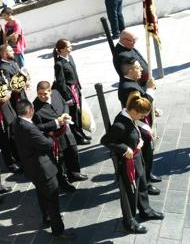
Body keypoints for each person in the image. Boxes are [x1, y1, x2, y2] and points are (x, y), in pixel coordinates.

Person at [101, 94, 164, 234]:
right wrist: (125, 149)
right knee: (130, 193)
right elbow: (105, 140)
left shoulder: (129, 116)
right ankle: (129, 222)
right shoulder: (120, 125)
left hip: (137, 158)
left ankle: (145, 210)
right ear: (134, 111)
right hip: (127, 164)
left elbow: (133, 132)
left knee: (142, 186)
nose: (142, 118)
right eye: (142, 115)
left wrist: (138, 142)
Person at [14, 100, 76, 239]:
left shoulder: (18, 123)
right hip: (43, 170)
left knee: (42, 195)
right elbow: (47, 143)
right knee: (52, 200)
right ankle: (58, 230)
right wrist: (51, 134)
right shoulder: (28, 128)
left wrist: (55, 123)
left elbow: (37, 128)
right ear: (30, 110)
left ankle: (46, 217)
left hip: (32, 168)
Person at [32, 81, 88, 193]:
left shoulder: (56, 93)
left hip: (66, 130)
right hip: (55, 137)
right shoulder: (35, 107)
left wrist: (65, 114)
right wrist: (56, 123)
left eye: (45, 94)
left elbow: (64, 105)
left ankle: (74, 173)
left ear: (50, 92)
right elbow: (38, 127)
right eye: (39, 94)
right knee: (60, 161)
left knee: (72, 151)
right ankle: (63, 183)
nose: (42, 96)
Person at [117, 58, 161, 195]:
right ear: (130, 71)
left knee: (148, 153)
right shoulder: (128, 87)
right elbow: (139, 106)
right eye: (138, 68)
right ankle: (146, 183)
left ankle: (148, 175)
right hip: (138, 125)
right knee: (146, 154)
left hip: (140, 121)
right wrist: (150, 91)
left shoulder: (131, 82)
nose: (141, 70)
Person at [52, 39, 91, 145]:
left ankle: (81, 133)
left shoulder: (70, 58)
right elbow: (61, 82)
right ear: (62, 49)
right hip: (70, 92)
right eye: (69, 46)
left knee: (79, 114)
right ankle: (78, 137)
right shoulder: (59, 64)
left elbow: (75, 74)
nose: (71, 48)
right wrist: (68, 97)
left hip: (76, 90)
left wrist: (79, 87)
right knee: (74, 116)